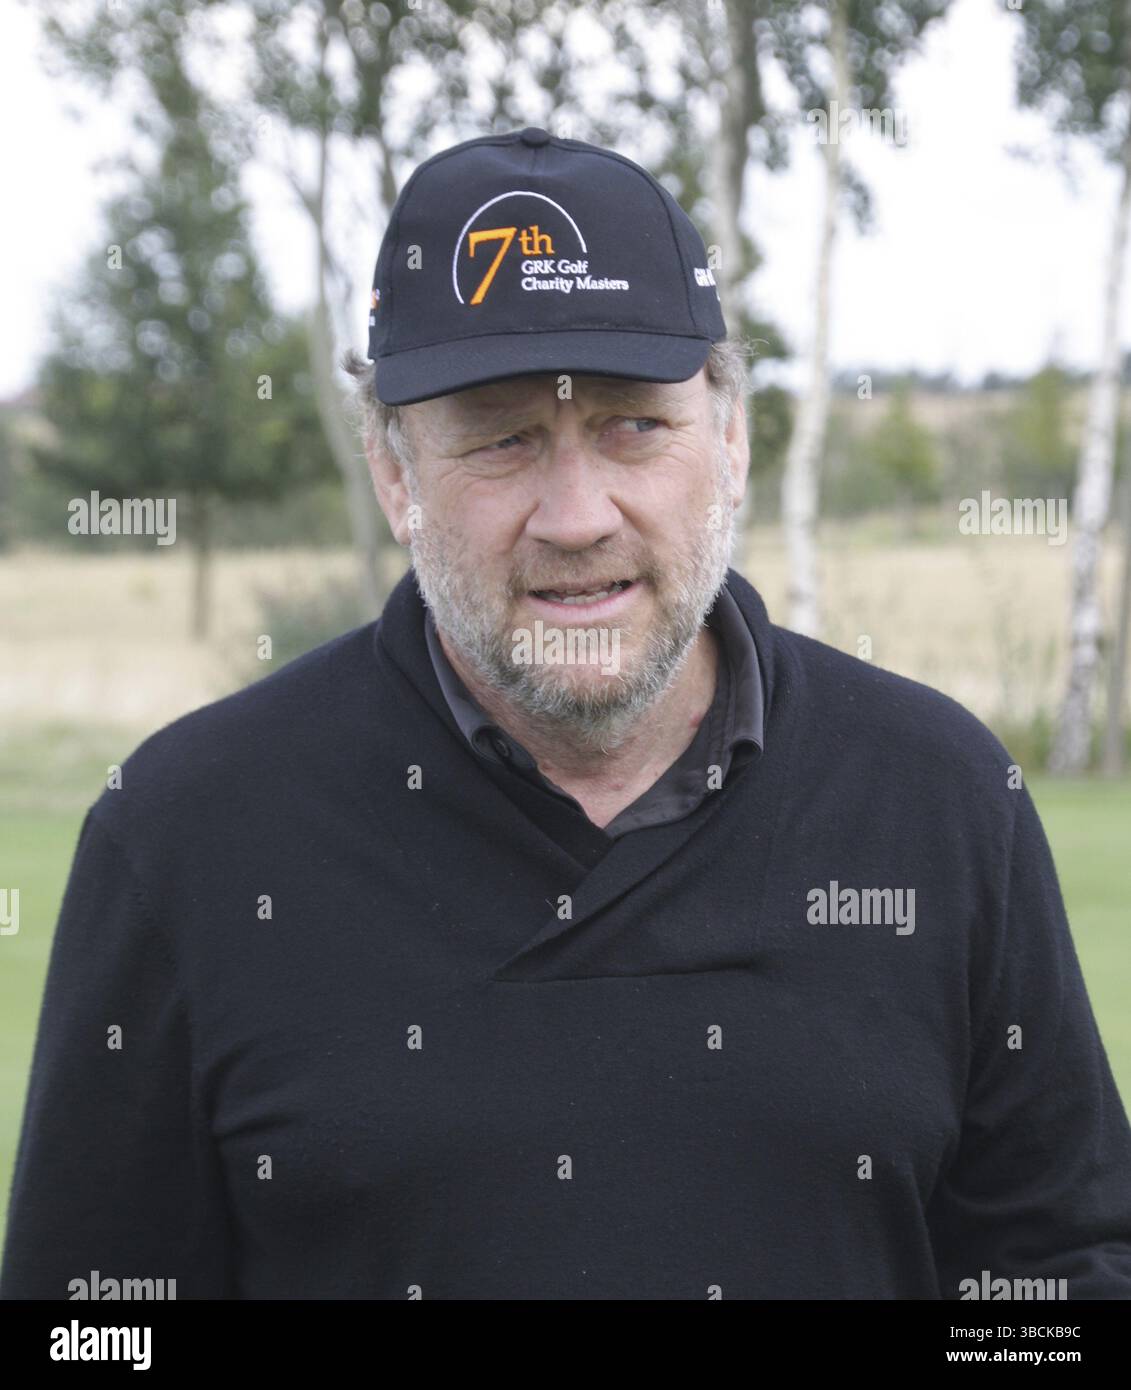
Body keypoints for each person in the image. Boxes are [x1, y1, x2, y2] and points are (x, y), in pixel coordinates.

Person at [3, 127, 1130, 1300]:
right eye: (503, 439)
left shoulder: (939, 798)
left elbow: (1059, 1271)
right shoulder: (190, 837)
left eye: (633, 425)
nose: (577, 513)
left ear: (731, 438)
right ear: (395, 473)